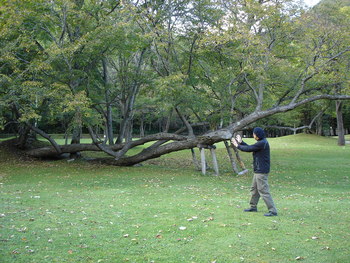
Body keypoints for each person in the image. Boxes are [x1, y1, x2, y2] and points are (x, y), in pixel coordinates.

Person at [231, 127, 277, 217]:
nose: (253, 135)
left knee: (263, 191)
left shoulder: (262, 143)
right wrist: (241, 142)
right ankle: (253, 206)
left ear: (257, 135)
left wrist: (237, 145)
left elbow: (248, 149)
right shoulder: (261, 142)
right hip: (258, 170)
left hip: (261, 171)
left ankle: (273, 210)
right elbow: (251, 147)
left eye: (254, 134)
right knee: (254, 189)